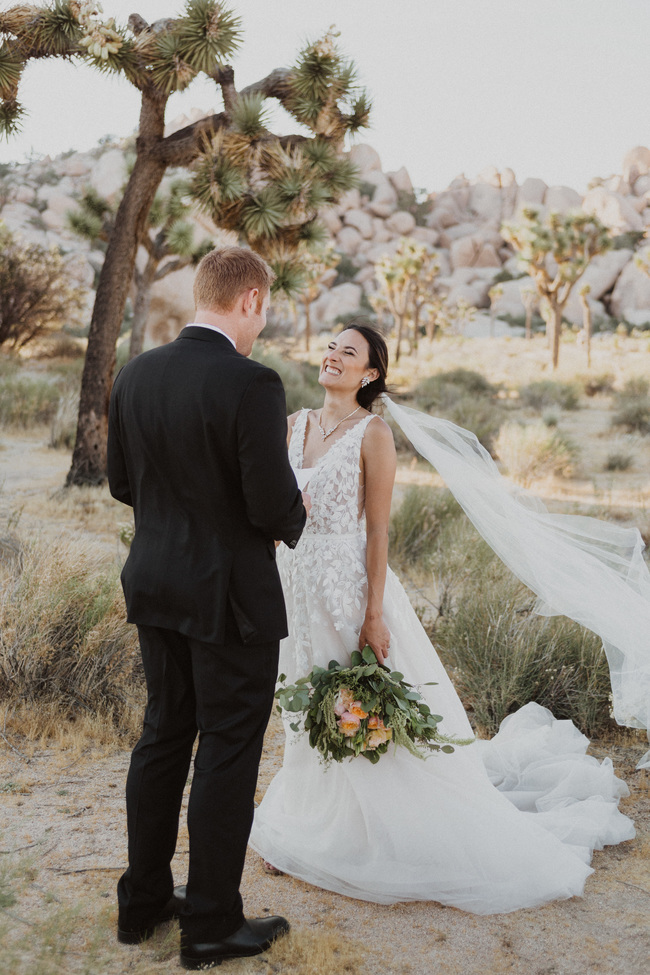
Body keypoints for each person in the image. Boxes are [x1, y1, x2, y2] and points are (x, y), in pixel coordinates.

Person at [249, 322, 637, 914]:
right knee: (302, 699)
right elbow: (274, 510)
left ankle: (384, 833)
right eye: (330, 346)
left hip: (349, 588)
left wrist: (373, 614)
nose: (332, 356)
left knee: (358, 702)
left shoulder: (373, 434)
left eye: (347, 352)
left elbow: (378, 530)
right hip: (295, 587)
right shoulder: (291, 426)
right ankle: (305, 820)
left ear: (370, 373)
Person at [107, 246, 308, 970]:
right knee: (227, 747)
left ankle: (143, 904)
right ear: (249, 300)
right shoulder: (251, 382)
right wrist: (297, 509)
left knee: (163, 734)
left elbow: (121, 482)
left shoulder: (136, 372)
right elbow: (269, 503)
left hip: (155, 585)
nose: (266, 319)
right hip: (230, 601)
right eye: (267, 306)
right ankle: (214, 923)